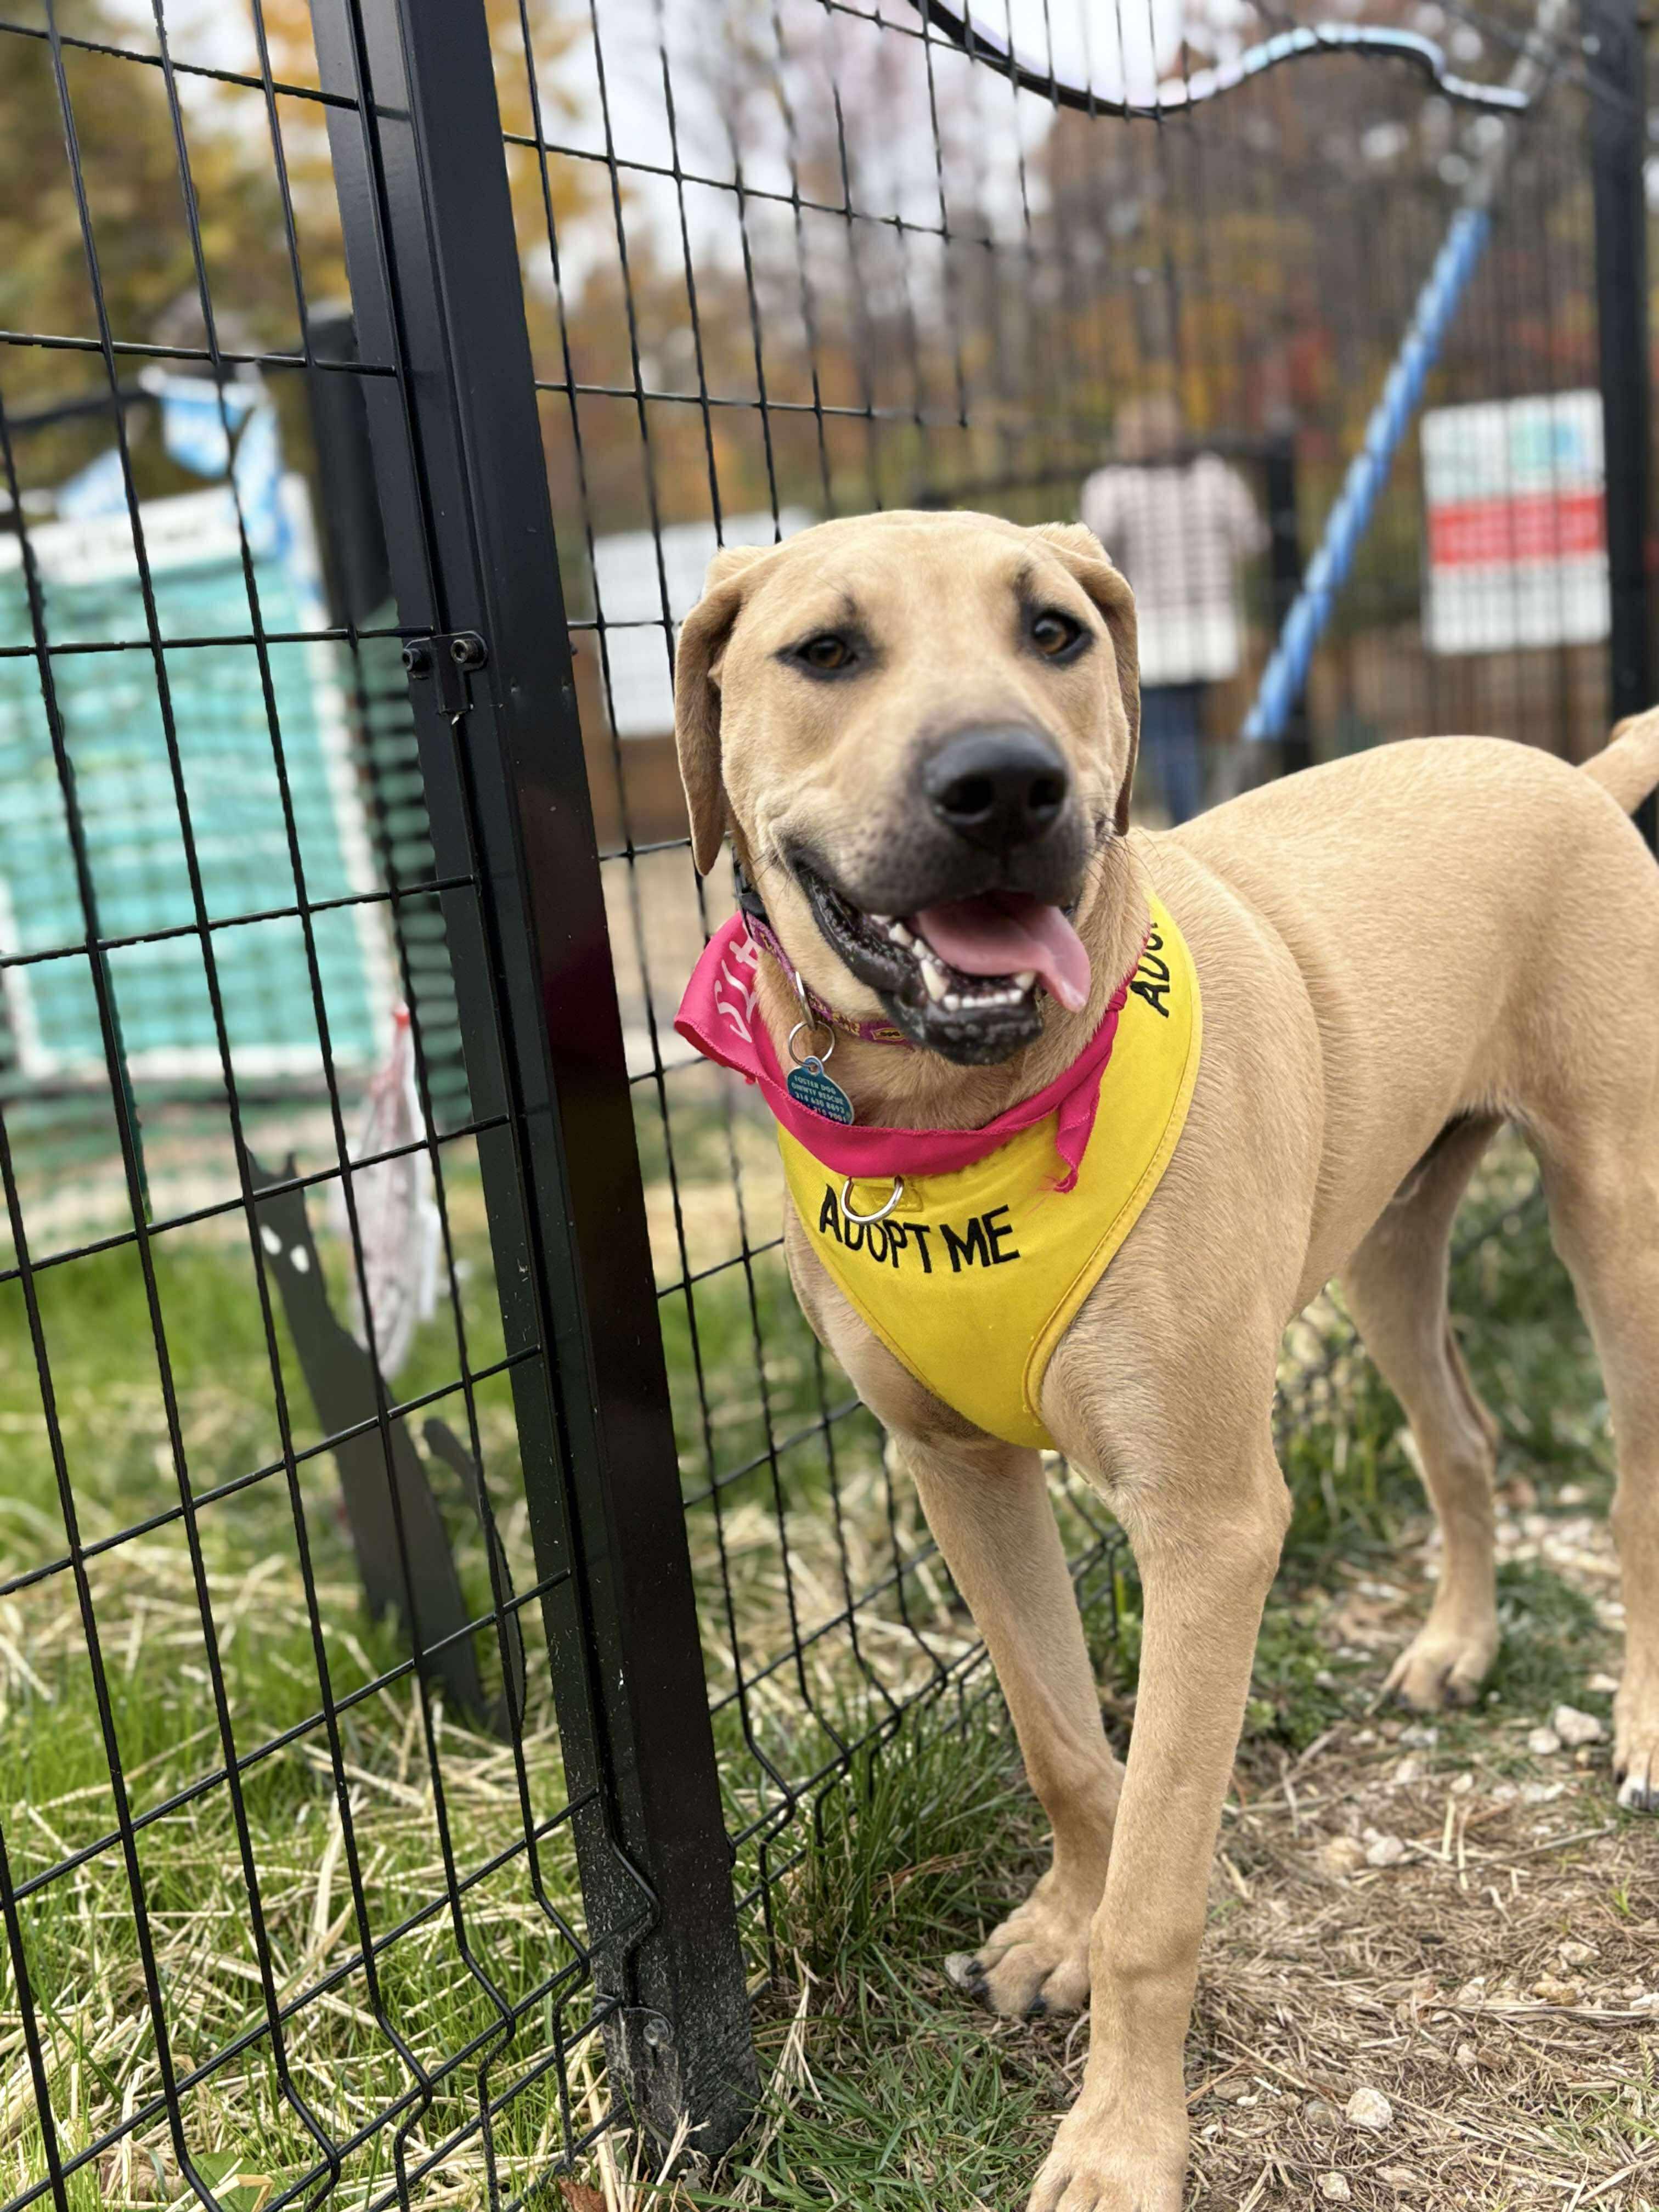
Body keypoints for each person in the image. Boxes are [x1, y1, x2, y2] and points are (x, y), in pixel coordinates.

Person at [1080, 393, 1267, 823]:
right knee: (1195, 726)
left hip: (1153, 627)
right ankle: (1206, 804)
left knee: (1166, 734)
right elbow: (1253, 539)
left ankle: (1186, 818)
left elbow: (1093, 550)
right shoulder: (1213, 475)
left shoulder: (1113, 484)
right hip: (1210, 621)